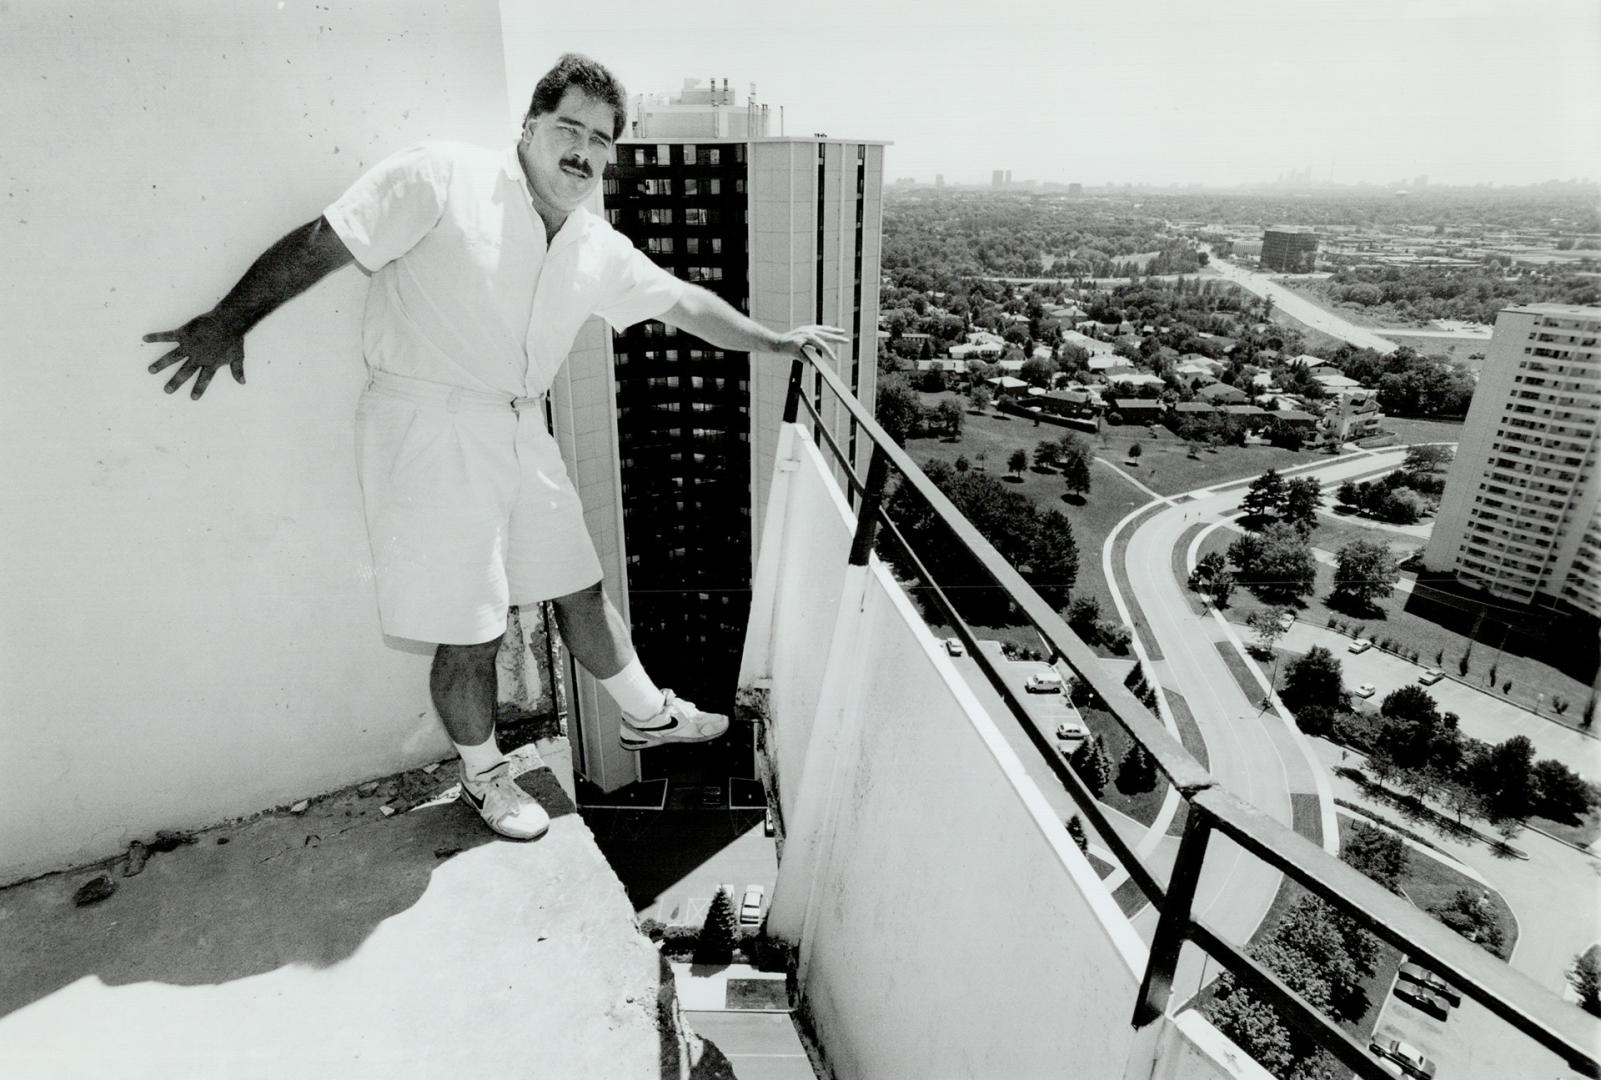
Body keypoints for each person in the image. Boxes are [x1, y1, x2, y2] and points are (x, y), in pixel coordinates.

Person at [142, 54, 845, 842]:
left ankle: (647, 715)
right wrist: (230, 318)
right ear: (530, 127)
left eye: (600, 141)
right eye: (567, 129)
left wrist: (777, 341)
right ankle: (484, 777)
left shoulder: (592, 241)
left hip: (518, 424)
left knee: (577, 584)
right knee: (470, 626)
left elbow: (684, 304)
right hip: (429, 425)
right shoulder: (443, 178)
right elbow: (325, 240)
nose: (582, 152)